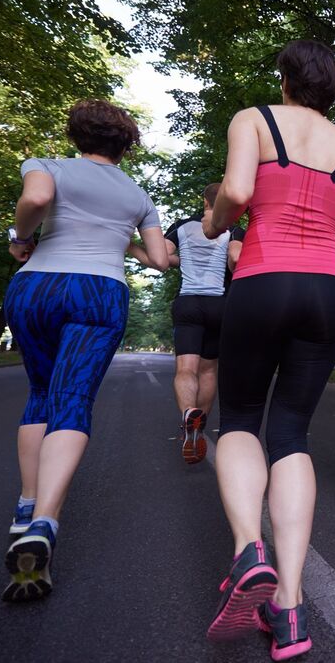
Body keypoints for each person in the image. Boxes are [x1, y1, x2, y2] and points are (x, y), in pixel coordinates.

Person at [201, 39, 335, 661]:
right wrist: (326, 256)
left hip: (262, 278)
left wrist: (214, 225)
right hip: (328, 290)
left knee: (240, 419)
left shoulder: (253, 120)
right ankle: (291, 607)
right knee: (292, 433)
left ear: (285, 79)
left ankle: (249, 550)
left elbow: (237, 193)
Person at [1, 99, 168, 602]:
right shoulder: (137, 194)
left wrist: (19, 237)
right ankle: (45, 523)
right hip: (99, 291)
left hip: (37, 286)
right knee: (72, 400)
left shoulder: (46, 165)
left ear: (76, 136)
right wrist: (121, 240)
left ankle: (26, 508)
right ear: (125, 146)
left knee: (40, 393)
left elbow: (36, 199)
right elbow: (160, 260)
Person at [130, 183, 245, 464]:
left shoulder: (182, 226)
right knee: (208, 370)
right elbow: (235, 257)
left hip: (188, 304)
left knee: (186, 369)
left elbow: (160, 257)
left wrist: (131, 246)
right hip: (220, 304)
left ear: (204, 201)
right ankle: (199, 427)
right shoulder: (234, 229)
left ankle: (187, 416)